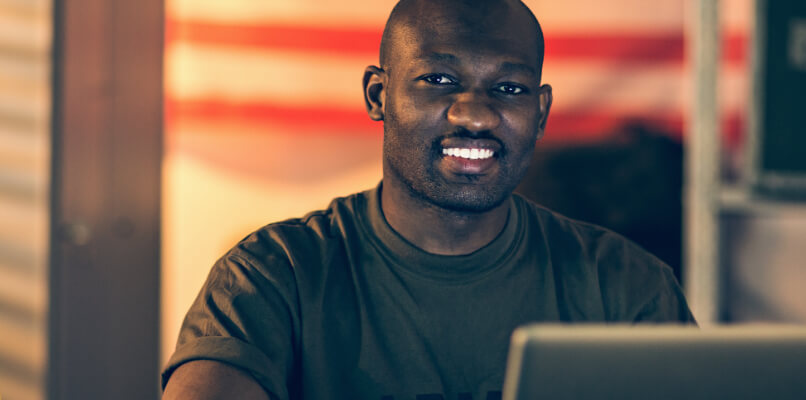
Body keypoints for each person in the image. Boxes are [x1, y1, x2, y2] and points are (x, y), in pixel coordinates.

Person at [162, 0, 696, 399]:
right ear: (378, 94)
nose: (476, 115)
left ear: (540, 111)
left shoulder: (626, 284)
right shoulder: (272, 275)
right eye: (439, 80)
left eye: (509, 88)